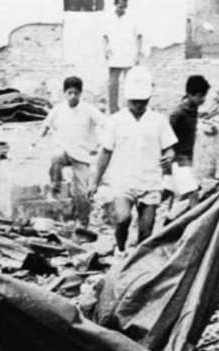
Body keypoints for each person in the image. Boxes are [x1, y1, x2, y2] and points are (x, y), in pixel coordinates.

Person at [91, 66, 177, 256]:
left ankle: (138, 262)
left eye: (142, 101)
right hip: (123, 179)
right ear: (128, 99)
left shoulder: (158, 121)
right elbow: (105, 152)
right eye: (134, 101)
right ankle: (120, 249)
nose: (138, 105)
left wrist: (169, 157)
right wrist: (95, 181)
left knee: (146, 230)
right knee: (123, 218)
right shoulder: (115, 121)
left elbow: (170, 148)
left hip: (150, 181)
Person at [38, 76, 104, 227]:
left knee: (82, 192)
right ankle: (56, 187)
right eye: (69, 93)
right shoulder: (59, 109)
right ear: (65, 93)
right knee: (56, 156)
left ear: (81, 93)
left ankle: (83, 222)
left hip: (82, 154)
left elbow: (104, 124)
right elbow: (46, 125)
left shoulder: (88, 110)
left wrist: (99, 144)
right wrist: (36, 142)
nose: (73, 96)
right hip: (64, 151)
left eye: (76, 93)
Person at [102, 0, 143, 114]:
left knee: (130, 83)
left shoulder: (132, 17)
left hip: (129, 55)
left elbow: (139, 36)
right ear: (116, 4)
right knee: (113, 84)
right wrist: (106, 48)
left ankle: (130, 109)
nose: (122, 9)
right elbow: (104, 36)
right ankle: (113, 109)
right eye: (120, 6)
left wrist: (138, 53)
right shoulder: (109, 17)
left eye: (124, 6)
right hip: (114, 55)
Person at [169, 75, 210, 168]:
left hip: (192, 152)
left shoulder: (193, 107)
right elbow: (168, 138)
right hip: (181, 156)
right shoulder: (178, 114)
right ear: (190, 94)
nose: (203, 99)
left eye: (204, 95)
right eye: (200, 96)